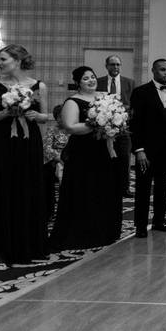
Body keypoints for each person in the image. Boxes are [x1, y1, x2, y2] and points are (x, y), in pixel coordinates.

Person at [0, 44, 50, 270]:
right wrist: (5, 113)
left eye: (3, 59)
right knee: (0, 190)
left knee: (26, 189)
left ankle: (27, 246)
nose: (0, 63)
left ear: (17, 60)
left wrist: (36, 114)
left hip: (28, 143)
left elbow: (46, 116)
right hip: (2, 143)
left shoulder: (39, 85)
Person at [50, 66, 122, 249]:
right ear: (77, 83)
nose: (91, 80)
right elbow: (70, 127)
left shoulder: (104, 97)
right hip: (82, 152)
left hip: (102, 149)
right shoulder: (73, 101)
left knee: (103, 188)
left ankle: (105, 230)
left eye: (92, 76)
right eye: (85, 78)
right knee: (84, 189)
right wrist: (97, 124)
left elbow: (116, 118)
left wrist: (113, 122)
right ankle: (82, 233)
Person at [129, 59, 166, 238]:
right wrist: (139, 150)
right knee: (143, 187)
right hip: (147, 150)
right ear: (153, 70)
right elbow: (135, 124)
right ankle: (141, 225)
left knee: (162, 186)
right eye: (162, 69)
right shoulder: (140, 92)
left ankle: (159, 221)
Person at [96, 55, 134, 198]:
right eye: (112, 64)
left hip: (124, 128)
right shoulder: (98, 82)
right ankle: (104, 185)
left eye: (118, 64)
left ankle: (124, 187)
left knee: (124, 158)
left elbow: (133, 105)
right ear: (106, 66)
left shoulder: (129, 83)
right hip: (103, 128)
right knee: (104, 157)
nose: (115, 67)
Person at [42, 104, 68, 219]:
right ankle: (51, 211)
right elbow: (46, 148)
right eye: (59, 116)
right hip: (54, 161)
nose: (61, 119)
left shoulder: (73, 129)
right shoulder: (51, 130)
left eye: (64, 116)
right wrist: (59, 159)